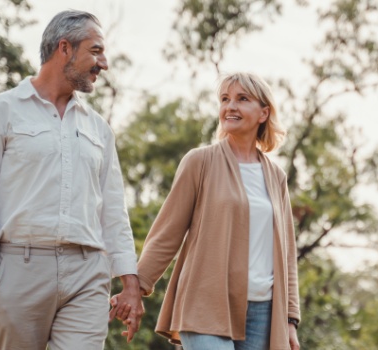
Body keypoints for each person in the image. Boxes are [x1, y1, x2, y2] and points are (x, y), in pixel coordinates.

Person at [0, 10, 144, 349]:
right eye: (96, 50)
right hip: (18, 271)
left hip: (87, 275)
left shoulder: (99, 129)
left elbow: (114, 212)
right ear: (64, 48)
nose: (103, 63)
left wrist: (130, 283)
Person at [114, 72, 302, 349]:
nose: (230, 106)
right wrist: (136, 287)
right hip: (205, 301)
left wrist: (290, 319)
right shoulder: (199, 162)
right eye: (225, 99)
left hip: (263, 311)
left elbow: (286, 254)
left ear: (264, 113)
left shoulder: (276, 177)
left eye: (242, 99)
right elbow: (168, 232)